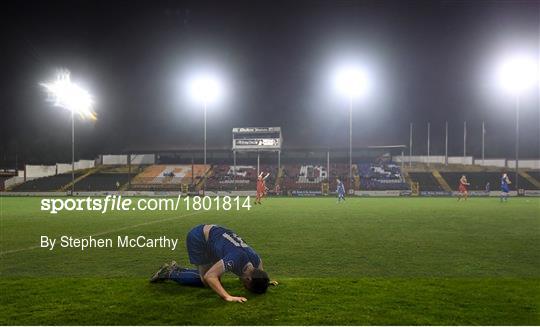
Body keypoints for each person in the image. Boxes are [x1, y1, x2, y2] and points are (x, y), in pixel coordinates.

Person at [150, 224, 276, 303]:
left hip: (216, 237)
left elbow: (260, 269)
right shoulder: (235, 258)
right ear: (248, 278)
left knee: (215, 278)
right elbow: (210, 277)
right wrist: (227, 296)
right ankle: (169, 272)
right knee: (207, 281)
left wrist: (265, 281)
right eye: (247, 286)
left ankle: (175, 269)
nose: (245, 287)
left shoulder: (255, 260)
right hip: (199, 238)